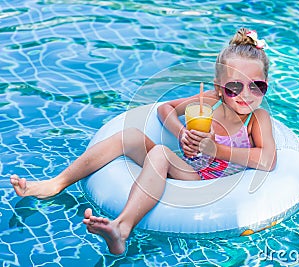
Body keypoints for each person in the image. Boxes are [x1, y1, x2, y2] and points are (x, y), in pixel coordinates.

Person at [9, 28, 276, 255]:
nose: (246, 94)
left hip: (210, 183)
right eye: (234, 87)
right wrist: (181, 133)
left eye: (257, 86)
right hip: (190, 169)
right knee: (131, 137)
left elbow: (267, 160)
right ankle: (56, 184)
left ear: (265, 85)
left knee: (159, 153)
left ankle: (121, 228)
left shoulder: (256, 119)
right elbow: (165, 110)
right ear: (219, 87)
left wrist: (215, 149)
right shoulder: (209, 100)